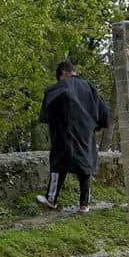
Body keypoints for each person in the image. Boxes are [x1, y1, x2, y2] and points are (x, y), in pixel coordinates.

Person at [39, 58, 111, 212]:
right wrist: (95, 126)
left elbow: (48, 108)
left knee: (58, 164)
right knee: (85, 167)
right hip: (86, 134)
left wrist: (51, 120)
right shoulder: (90, 88)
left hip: (65, 132)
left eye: (59, 78)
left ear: (63, 73)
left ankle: (51, 200)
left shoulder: (61, 86)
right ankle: (84, 205)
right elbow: (104, 112)